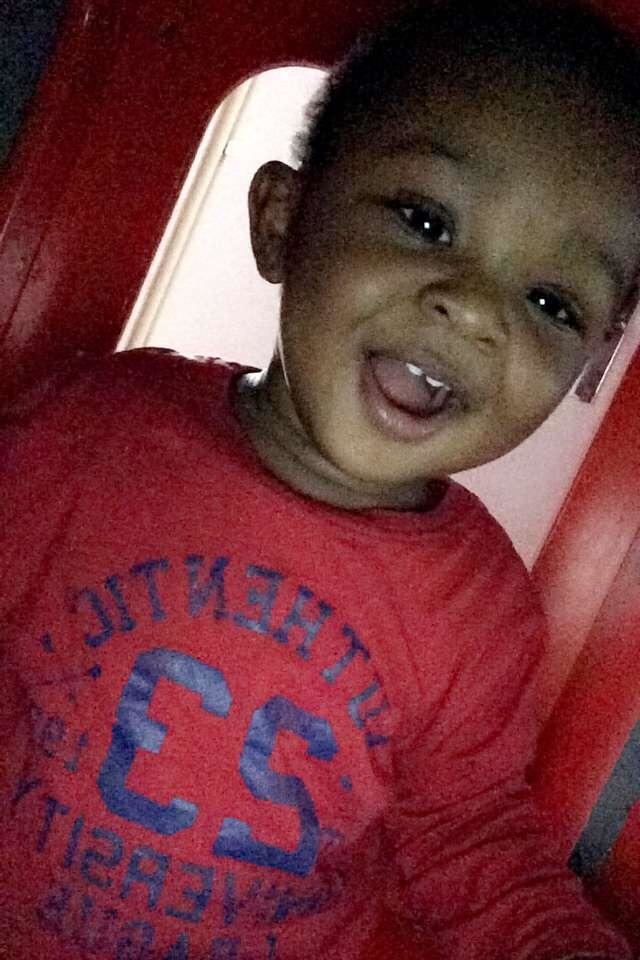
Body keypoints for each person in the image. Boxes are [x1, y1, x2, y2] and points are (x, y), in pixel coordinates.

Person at [1, 0, 640, 957]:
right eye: (426, 221)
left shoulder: (482, 614)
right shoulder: (89, 436)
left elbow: (467, 842)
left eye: (551, 300)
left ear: (588, 365)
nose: (473, 310)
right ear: (282, 220)